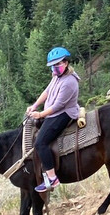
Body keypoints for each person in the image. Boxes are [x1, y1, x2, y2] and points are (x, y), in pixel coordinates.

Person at [26, 46, 82, 191]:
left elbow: (58, 105)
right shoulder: (57, 76)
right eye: (53, 65)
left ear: (66, 63)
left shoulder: (69, 82)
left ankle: (52, 178)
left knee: (40, 143)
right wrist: (35, 105)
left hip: (63, 114)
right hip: (53, 112)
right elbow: (47, 91)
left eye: (57, 64)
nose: (55, 68)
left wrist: (40, 114)